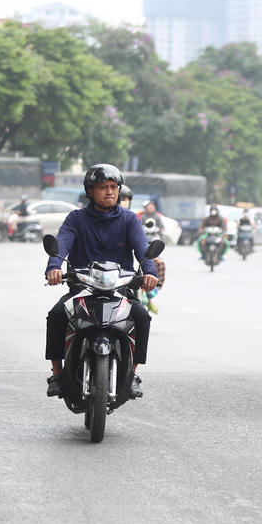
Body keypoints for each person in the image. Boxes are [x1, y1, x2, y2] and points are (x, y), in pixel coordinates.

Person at [44, 164, 159, 398]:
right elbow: (63, 243)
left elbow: (142, 249)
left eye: (114, 187)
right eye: (103, 187)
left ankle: (133, 374)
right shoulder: (76, 219)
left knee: (142, 317)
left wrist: (150, 272)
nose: (110, 192)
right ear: (90, 191)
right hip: (82, 288)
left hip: (120, 289)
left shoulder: (129, 220)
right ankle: (57, 374)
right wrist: (54, 267)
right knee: (56, 314)